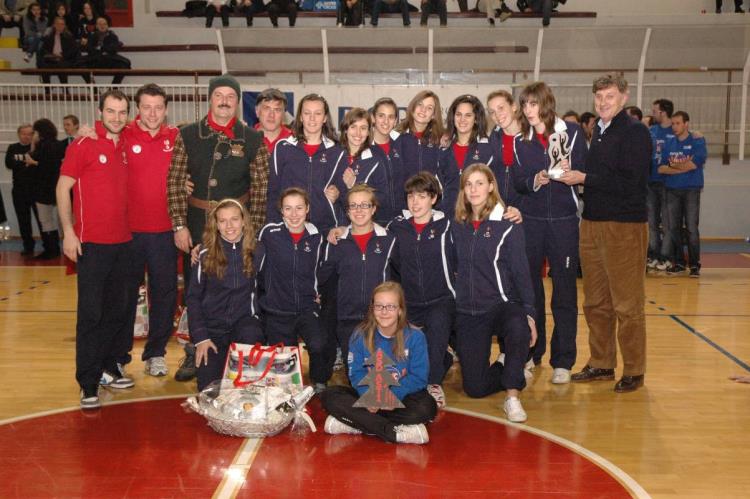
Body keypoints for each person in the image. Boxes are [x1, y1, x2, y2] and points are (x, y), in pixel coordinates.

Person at [167, 73, 268, 382]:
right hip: (198, 223)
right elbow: (175, 181)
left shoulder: (252, 139)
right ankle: (195, 347)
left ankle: (240, 346)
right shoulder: (187, 135)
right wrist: (179, 224)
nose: (224, 101)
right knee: (196, 289)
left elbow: (260, 189)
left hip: (237, 227)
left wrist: (254, 232)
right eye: (219, 95)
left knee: (240, 285)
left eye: (231, 96)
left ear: (238, 102)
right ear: (210, 99)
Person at [558, 74, 652, 393]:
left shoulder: (635, 132)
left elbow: (631, 182)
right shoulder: (598, 130)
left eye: (609, 96)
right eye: (598, 97)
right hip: (592, 223)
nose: (603, 102)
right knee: (596, 302)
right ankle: (602, 362)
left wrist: (584, 178)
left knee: (627, 304)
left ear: (624, 97)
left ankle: (634, 369)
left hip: (624, 227)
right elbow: (598, 176)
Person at [56, 89, 134, 410]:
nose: (116, 117)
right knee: (91, 314)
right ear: (100, 112)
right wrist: (68, 232)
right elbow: (62, 188)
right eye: (111, 111)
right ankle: (88, 382)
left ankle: (108, 367)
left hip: (124, 243)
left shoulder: (127, 142)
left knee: (118, 311)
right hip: (91, 245)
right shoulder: (82, 144)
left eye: (122, 112)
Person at [512, 81, 586, 384]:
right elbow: (517, 181)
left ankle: (563, 360)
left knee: (564, 291)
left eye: (533, 104)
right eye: (525, 104)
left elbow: (584, 170)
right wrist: (535, 179)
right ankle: (532, 352)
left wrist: (572, 173)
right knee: (530, 291)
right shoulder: (520, 140)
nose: (529, 110)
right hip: (531, 221)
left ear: (546, 103)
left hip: (564, 222)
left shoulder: (573, 132)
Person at [451, 163, 536, 422]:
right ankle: (507, 365)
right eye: (468, 184)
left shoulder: (507, 222)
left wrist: (530, 314)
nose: (473, 189)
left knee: (519, 325)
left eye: (479, 183)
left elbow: (521, 272)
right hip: (469, 310)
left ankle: (512, 396)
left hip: (501, 304)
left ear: (491, 186)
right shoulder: (456, 224)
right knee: (475, 388)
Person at [320, 281, 437, 444]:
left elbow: (419, 377)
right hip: (370, 397)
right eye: (379, 306)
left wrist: (392, 395)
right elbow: (356, 374)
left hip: (401, 397)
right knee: (329, 395)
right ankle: (393, 432)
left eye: (390, 306)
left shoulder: (415, 336)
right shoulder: (359, 335)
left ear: (400, 310)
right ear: (372, 309)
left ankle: (356, 422)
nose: (384, 312)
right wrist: (369, 396)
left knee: (427, 408)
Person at [386, 172, 455, 408]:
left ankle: (434, 383)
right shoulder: (397, 227)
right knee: (403, 360)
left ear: (433, 198)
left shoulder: (447, 226)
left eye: (422, 196)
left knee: (435, 335)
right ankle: (445, 358)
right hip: (410, 302)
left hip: (440, 299)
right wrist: (339, 231)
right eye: (411, 197)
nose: (415, 202)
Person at [318, 184, 396, 383]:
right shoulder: (336, 242)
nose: (359, 210)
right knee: (359, 382)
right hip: (348, 320)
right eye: (353, 206)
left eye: (364, 205)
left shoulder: (389, 239)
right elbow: (322, 277)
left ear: (374, 208)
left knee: (381, 382)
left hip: (381, 320)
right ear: (347, 211)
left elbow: (400, 277)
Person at [188, 199, 265, 391]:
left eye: (234, 219)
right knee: (208, 392)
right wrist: (201, 337)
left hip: (244, 324)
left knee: (245, 388)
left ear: (244, 221)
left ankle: (246, 376)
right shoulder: (204, 254)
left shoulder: (258, 250)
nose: (229, 226)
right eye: (222, 221)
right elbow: (193, 298)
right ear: (216, 225)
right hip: (212, 330)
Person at [256, 187, 327, 392]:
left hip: (307, 307)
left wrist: (320, 293)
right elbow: (245, 248)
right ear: (281, 211)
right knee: (285, 366)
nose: (294, 214)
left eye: (299, 208)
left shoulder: (317, 236)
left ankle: (318, 381)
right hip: (277, 310)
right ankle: (288, 384)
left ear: (307, 209)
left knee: (319, 344)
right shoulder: (269, 233)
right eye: (288, 208)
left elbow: (325, 268)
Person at [266, 93, 346, 233]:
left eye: (318, 113)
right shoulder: (283, 148)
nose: (312, 118)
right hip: (289, 228)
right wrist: (274, 227)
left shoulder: (337, 152)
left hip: (325, 229)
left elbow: (344, 193)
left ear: (325, 118)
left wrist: (338, 194)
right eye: (307, 113)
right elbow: (273, 192)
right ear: (300, 117)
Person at [656, 111, 707, 278]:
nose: (675, 127)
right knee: (673, 228)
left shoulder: (697, 140)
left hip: (691, 189)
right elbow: (661, 168)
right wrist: (683, 165)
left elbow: (694, 164)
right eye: (673, 124)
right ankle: (678, 262)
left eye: (678, 123)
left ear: (686, 124)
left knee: (691, 228)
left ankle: (694, 264)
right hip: (672, 190)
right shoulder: (669, 143)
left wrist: (673, 167)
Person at [437, 94, 492, 218]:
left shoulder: (488, 149)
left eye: (468, 115)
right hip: (449, 216)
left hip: (479, 217)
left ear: (476, 119)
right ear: (453, 117)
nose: (462, 119)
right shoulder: (443, 149)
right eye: (458, 114)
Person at [339, 107, 390, 225]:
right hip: (336, 225)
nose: (358, 133)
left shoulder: (376, 159)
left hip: (365, 224)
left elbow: (383, 197)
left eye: (363, 128)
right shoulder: (334, 156)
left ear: (368, 132)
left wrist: (354, 186)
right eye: (353, 127)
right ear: (345, 129)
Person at [25, 118, 64, 259]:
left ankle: (51, 249)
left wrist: (33, 159)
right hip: (59, 187)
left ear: (39, 132)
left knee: (46, 220)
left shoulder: (42, 146)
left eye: (34, 132)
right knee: (62, 220)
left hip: (43, 188)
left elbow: (44, 166)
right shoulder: (59, 144)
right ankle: (59, 248)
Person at [5, 124, 42, 256]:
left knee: (41, 220)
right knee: (23, 220)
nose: (26, 136)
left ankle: (47, 245)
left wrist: (22, 162)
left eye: (29, 134)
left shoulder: (38, 148)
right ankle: (28, 246)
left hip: (36, 190)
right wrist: (27, 162)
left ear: (33, 135)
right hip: (19, 190)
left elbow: (40, 166)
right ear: (19, 134)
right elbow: (9, 164)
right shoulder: (12, 147)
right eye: (23, 133)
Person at [647, 98, 675, 270]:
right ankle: (653, 255)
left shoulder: (675, 130)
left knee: (667, 223)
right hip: (650, 182)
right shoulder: (651, 130)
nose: (653, 114)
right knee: (651, 222)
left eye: (655, 111)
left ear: (663, 112)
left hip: (667, 183)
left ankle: (666, 257)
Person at [369, 97, 406, 223]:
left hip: (401, 219)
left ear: (395, 121)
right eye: (381, 116)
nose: (386, 121)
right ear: (373, 118)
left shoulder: (402, 144)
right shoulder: (363, 148)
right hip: (374, 221)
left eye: (390, 117)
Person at [486, 90, 523, 209]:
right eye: (492, 112)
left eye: (501, 108)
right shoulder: (494, 137)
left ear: (513, 107)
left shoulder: (530, 137)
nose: (497, 115)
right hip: (499, 207)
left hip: (525, 209)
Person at [78, 15, 131, 85]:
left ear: (107, 26)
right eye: (100, 24)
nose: (102, 26)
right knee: (80, 64)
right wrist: (102, 50)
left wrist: (100, 48)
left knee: (124, 65)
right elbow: (90, 49)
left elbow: (113, 49)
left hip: (109, 60)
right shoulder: (92, 36)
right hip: (95, 60)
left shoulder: (113, 36)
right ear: (96, 26)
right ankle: (94, 89)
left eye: (104, 24)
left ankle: (113, 88)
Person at [37, 16, 78, 88]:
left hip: (64, 59)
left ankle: (65, 90)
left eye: (62, 24)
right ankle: (47, 90)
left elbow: (73, 50)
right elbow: (43, 50)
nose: (60, 26)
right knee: (43, 66)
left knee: (61, 66)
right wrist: (51, 55)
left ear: (65, 26)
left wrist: (62, 55)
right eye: (58, 24)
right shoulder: (49, 36)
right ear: (54, 25)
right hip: (51, 59)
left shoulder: (69, 37)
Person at [254, 87, 292, 153]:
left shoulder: (294, 140)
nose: (271, 115)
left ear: (283, 114)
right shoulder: (245, 139)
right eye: (266, 108)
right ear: (257, 111)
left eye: (277, 110)